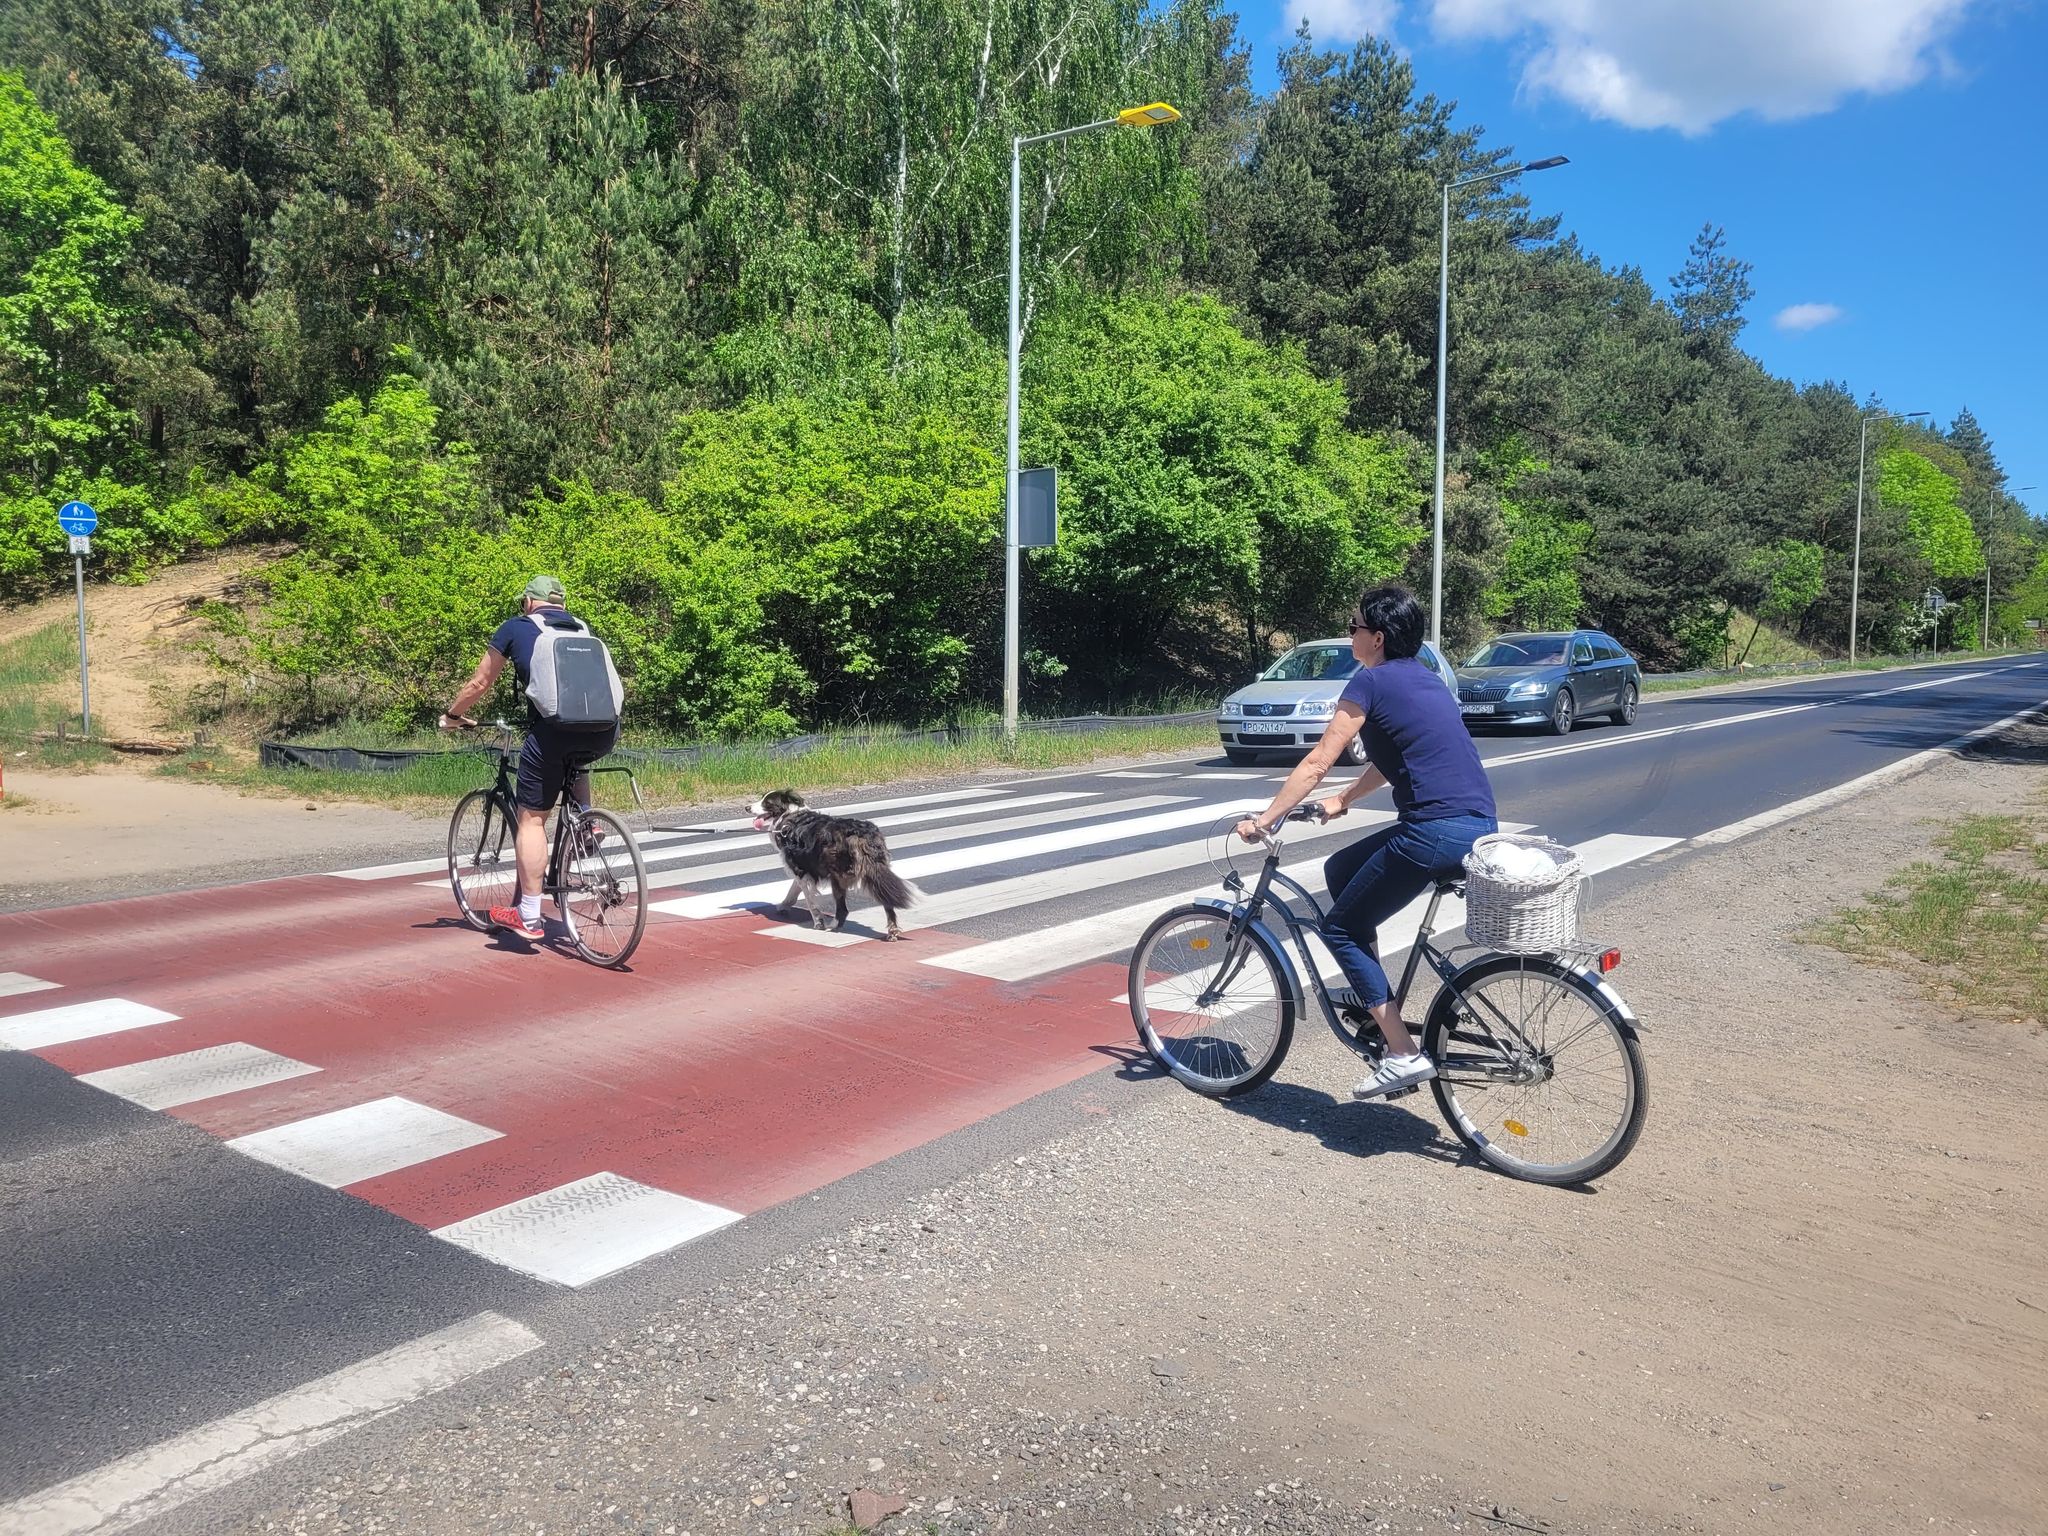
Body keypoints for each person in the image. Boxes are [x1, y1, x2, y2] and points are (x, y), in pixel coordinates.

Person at [1235, 584, 1498, 1100]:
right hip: (1475, 823)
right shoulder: (1426, 680)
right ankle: (1375, 1003)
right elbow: (1401, 755)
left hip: (1432, 831)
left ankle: (1401, 1053)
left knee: (1340, 929)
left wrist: (1266, 819)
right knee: (1340, 871)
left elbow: (1316, 761)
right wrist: (1346, 799)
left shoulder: (1369, 682)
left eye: (1354, 626)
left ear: (1376, 638)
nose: (1349, 633)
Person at [440, 575, 621, 942]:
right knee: (576, 753)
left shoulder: (517, 627)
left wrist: (453, 715)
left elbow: (479, 683)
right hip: (605, 730)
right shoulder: (583, 628)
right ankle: (586, 820)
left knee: (533, 820)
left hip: (553, 730)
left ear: (527, 602)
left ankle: (529, 916)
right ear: (562, 604)